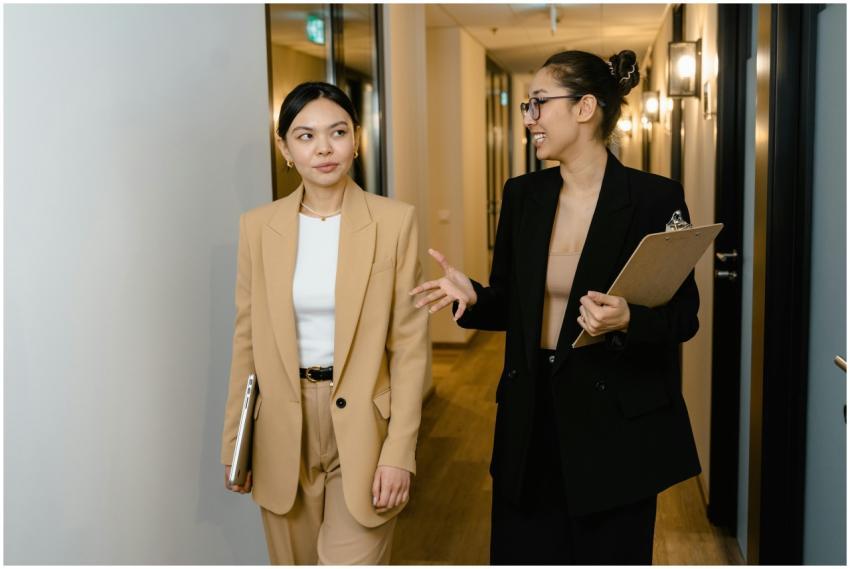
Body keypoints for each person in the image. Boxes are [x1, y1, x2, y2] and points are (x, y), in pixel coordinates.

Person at [410, 50, 701, 565]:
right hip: (531, 419)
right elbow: (510, 304)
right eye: (527, 106)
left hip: (615, 428)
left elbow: (684, 315)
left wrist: (629, 318)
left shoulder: (655, 199)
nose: (529, 119)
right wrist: (473, 296)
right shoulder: (523, 195)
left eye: (539, 104)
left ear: (586, 107)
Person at [221, 81, 429, 565]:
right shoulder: (258, 227)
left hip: (364, 427)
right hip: (280, 428)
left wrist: (401, 451)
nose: (324, 148)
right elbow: (246, 339)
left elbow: (410, 346)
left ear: (356, 138)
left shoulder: (395, 222)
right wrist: (235, 444)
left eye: (337, 132)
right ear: (285, 148)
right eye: (305, 136)